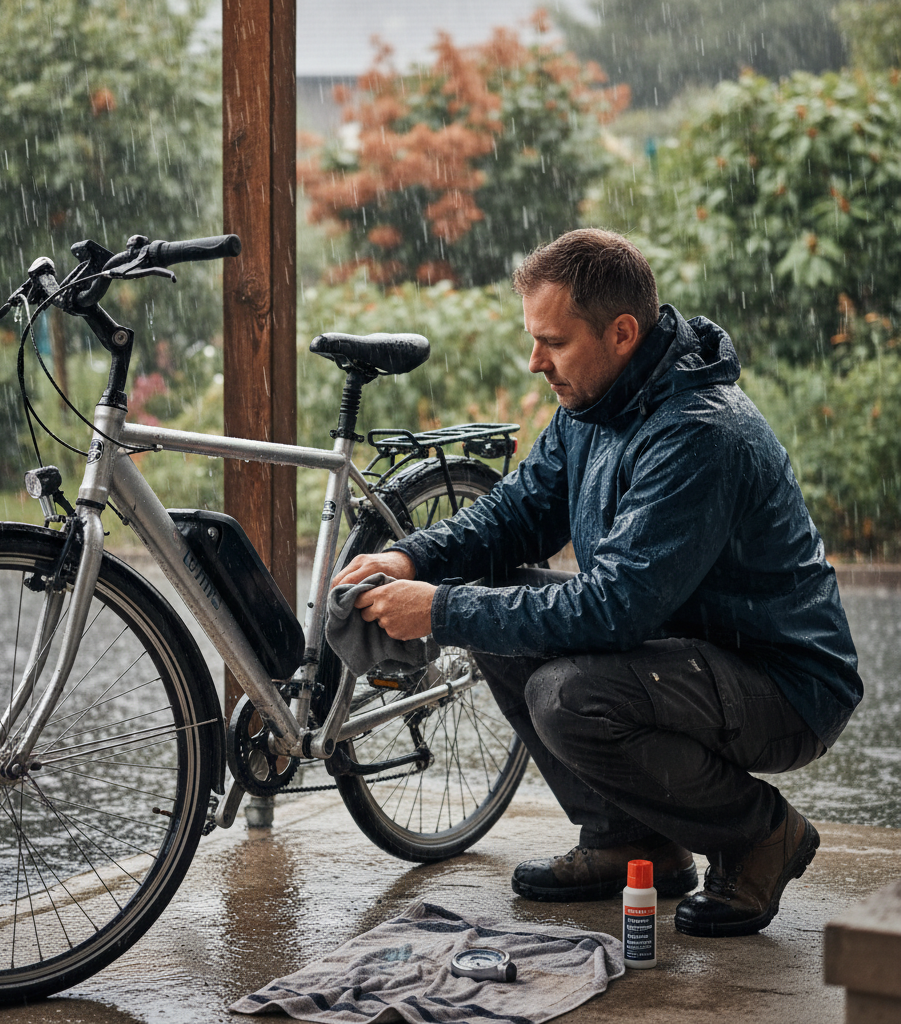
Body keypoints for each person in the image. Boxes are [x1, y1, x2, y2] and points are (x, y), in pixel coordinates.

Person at [331, 228, 863, 938]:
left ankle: (761, 835)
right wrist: (414, 560)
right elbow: (517, 516)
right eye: (533, 339)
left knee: (566, 693)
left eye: (553, 341)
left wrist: (441, 609)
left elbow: (614, 609)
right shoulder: (593, 406)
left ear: (620, 332)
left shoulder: (699, 434)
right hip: (687, 655)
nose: (533, 361)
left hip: (786, 683)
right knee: (495, 609)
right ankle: (628, 841)